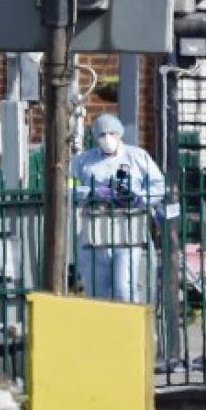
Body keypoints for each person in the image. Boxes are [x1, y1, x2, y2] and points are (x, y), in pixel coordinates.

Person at [70, 114, 165, 302]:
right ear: (95, 136)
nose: (107, 138)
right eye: (102, 134)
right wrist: (92, 192)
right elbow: (68, 187)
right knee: (98, 288)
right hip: (95, 226)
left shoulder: (137, 156)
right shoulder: (83, 161)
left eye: (112, 133)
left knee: (124, 287)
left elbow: (158, 186)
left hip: (129, 225)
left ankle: (130, 328)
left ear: (120, 133)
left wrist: (140, 199)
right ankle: (103, 329)